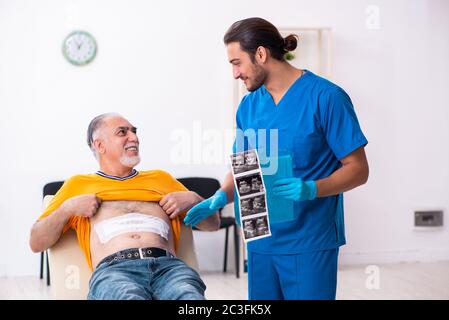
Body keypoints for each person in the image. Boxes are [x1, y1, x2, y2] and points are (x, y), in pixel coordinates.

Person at [183, 17, 369, 300]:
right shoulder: (248, 105)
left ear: (261, 54)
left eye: (237, 62)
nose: (235, 73)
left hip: (309, 240)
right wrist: (220, 198)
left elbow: (358, 169)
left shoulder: (326, 97)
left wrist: (312, 188)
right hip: (259, 239)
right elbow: (244, 167)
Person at [29, 113, 220, 300]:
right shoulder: (77, 185)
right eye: (122, 132)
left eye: (134, 131)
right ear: (100, 145)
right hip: (115, 272)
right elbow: (36, 242)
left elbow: (213, 224)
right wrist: (67, 209)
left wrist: (195, 199)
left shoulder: (161, 179)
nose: (134, 138)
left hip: (169, 269)